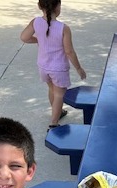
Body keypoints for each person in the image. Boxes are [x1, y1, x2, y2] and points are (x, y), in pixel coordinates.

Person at [21, 0, 86, 130]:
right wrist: (79, 68)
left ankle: (58, 112)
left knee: (52, 89)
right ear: (58, 7)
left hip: (43, 67)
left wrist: (39, 39)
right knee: (59, 95)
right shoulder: (63, 28)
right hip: (59, 69)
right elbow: (69, 51)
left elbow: (24, 37)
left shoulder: (36, 22)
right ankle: (53, 123)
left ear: (40, 6)